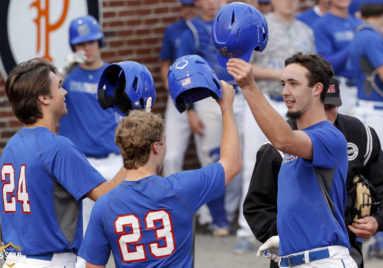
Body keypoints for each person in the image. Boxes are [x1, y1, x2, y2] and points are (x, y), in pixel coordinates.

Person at [78, 79, 241, 267]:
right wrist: (226, 107)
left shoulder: (104, 205)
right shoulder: (181, 188)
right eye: (164, 142)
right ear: (155, 147)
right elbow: (232, 164)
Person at [243, 81, 383, 268]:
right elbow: (256, 205)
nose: (326, 115)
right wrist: (283, 235)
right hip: (290, 255)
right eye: (320, 107)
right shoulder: (278, 143)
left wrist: (378, 220)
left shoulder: (360, 134)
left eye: (331, 107)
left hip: (345, 249)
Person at [227, 53, 357, 267]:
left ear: (316, 89)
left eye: (294, 83)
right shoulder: (295, 142)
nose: (285, 91)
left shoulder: (330, 135)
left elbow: (283, 139)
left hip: (325, 261)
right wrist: (288, 239)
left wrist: (249, 86)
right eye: (283, 83)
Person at [0, 58, 126, 268]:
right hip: (51, 261)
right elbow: (109, 199)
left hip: (12, 260)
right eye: (59, 86)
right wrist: (135, 154)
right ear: (44, 98)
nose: (65, 92)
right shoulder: (57, 147)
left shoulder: (10, 147)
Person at [235, 0, 316, 253]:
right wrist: (282, 76)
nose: (290, 2)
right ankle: (245, 230)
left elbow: (314, 70)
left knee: (295, 167)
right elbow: (244, 65)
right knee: (253, 164)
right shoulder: (260, 27)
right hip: (265, 100)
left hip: (296, 107)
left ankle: (288, 225)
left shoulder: (306, 30)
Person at [176, 0, 242, 235]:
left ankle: (234, 213)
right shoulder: (191, 29)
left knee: (241, 159)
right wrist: (191, 110)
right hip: (207, 98)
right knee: (215, 158)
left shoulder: (235, 24)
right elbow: (183, 74)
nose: (212, 2)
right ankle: (219, 218)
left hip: (239, 93)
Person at [58, 15, 123, 232]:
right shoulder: (63, 79)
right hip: (82, 161)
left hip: (114, 158)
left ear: (99, 42)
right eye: (81, 43)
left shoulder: (113, 75)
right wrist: (62, 73)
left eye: (91, 42)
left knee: (121, 222)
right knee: (85, 229)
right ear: (73, 46)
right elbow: (40, 98)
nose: (87, 48)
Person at [348, 0, 383, 257]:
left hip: (377, 109)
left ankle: (380, 240)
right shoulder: (368, 35)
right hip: (374, 112)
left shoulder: (370, 32)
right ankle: (381, 242)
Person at [159, 0, 199, 178]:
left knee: (210, 155)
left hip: (204, 96)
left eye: (192, 6)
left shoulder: (208, 29)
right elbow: (165, 64)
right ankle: (170, 200)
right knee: (171, 156)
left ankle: (211, 206)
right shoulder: (174, 30)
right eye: (185, 6)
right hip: (180, 95)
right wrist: (173, 89)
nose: (189, 10)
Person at [313, 0, 361, 115]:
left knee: (362, 132)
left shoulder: (358, 23)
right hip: (338, 88)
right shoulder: (322, 24)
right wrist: (354, 43)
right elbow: (328, 65)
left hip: (360, 88)